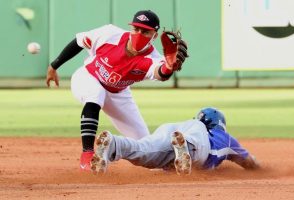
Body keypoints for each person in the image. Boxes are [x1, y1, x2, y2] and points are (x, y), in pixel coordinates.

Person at [45, 10, 188, 171]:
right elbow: (79, 42)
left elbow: (160, 72)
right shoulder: (109, 34)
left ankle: (170, 164)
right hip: (87, 76)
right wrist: (54, 65)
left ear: (154, 35)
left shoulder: (153, 58)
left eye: (145, 31)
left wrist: (168, 67)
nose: (139, 34)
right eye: (136, 29)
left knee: (145, 144)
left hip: (119, 93)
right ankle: (87, 154)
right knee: (96, 94)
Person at [90, 107, 260, 175]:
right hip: (193, 136)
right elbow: (248, 161)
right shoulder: (223, 137)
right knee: (198, 147)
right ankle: (185, 145)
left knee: (144, 151)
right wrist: (262, 170)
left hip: (171, 128)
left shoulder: (191, 122)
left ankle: (114, 144)